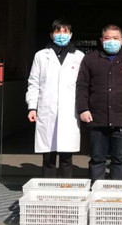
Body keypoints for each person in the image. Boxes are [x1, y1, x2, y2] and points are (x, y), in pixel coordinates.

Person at [76, 24, 122, 181]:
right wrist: (83, 109)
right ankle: (97, 190)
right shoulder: (90, 59)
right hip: (96, 117)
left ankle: (116, 191)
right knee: (97, 158)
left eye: (115, 38)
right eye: (108, 38)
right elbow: (82, 86)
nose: (112, 41)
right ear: (101, 40)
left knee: (119, 159)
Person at [26, 20, 85, 178]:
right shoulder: (41, 56)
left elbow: (83, 86)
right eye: (58, 32)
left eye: (65, 32)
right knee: (48, 156)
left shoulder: (79, 57)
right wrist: (32, 107)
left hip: (69, 111)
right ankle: (48, 187)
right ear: (51, 35)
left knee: (66, 157)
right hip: (47, 110)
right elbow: (34, 83)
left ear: (71, 34)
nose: (61, 35)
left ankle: (65, 187)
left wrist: (83, 108)